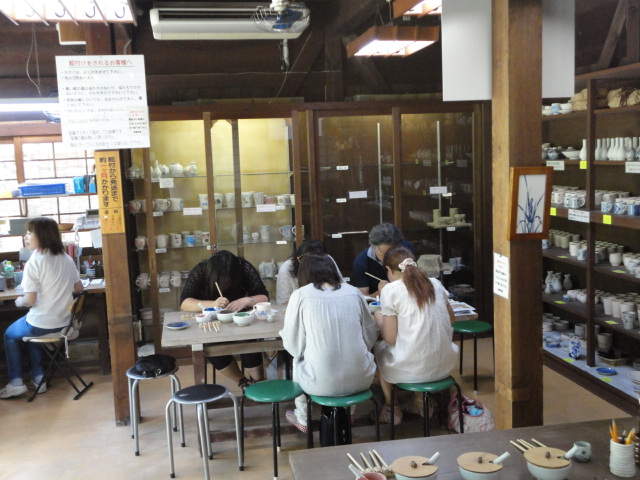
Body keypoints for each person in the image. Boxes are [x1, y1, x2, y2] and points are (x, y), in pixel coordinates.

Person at [280, 254, 378, 433]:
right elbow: (370, 336)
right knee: (355, 353)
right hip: (362, 380)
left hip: (318, 383)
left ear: (304, 274)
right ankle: (349, 412)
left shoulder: (300, 295)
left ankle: (303, 417)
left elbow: (293, 345)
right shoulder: (354, 292)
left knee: (298, 358)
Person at [1, 217, 83, 399]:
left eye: (30, 233)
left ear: (42, 236)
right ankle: (39, 378)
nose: (26, 237)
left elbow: (30, 300)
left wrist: (18, 301)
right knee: (32, 334)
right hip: (64, 323)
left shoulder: (34, 262)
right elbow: (79, 288)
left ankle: (16, 383)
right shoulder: (66, 258)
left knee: (10, 334)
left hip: (43, 322)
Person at [373, 246, 457, 424]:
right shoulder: (435, 283)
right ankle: (420, 401)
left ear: (389, 270)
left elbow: (390, 339)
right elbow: (452, 319)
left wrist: (380, 319)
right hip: (445, 365)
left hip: (410, 369)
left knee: (380, 351)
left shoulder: (391, 290)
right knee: (419, 345)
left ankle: (392, 407)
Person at [180, 250, 269, 387]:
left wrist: (247, 300)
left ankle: (259, 384)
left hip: (241, 320)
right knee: (211, 347)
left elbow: (264, 297)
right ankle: (243, 382)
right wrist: (212, 304)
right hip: (212, 323)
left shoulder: (243, 267)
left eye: (229, 279)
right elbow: (185, 303)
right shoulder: (202, 270)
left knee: (249, 341)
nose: (226, 282)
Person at [351, 223, 415, 297]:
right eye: (383, 253)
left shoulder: (406, 250)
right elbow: (363, 298)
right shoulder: (361, 263)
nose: (388, 257)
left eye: (392, 252)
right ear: (373, 246)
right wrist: (383, 291)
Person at [275, 240, 343, 305]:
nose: (310, 265)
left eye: (316, 261)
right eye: (306, 260)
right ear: (298, 258)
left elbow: (340, 288)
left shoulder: (328, 260)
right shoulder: (287, 268)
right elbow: (283, 302)